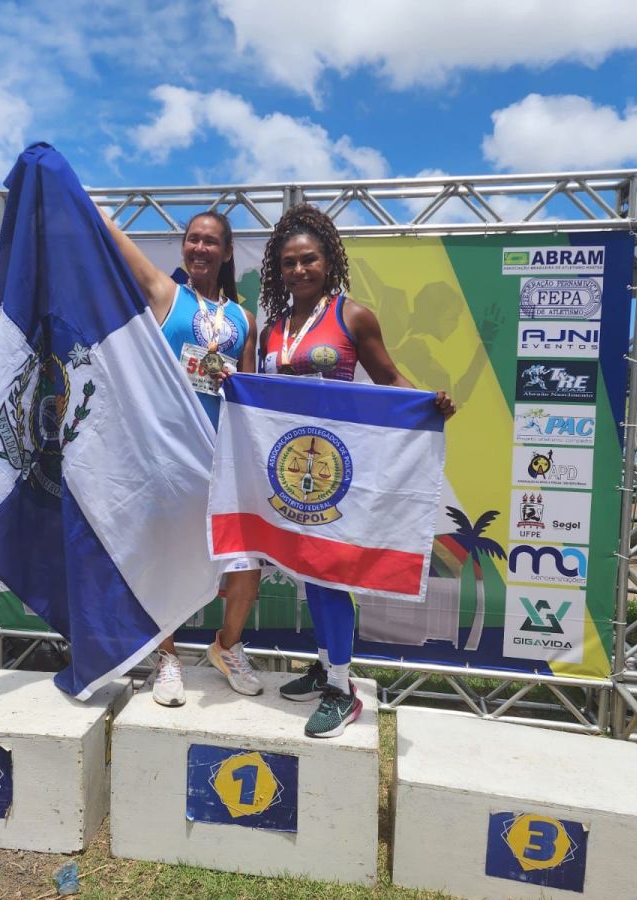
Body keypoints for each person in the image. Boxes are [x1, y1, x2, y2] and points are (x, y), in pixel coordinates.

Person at [254, 203, 456, 738]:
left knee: (329, 575)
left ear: (328, 261)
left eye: (309, 259)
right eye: (289, 262)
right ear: (278, 270)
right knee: (307, 571)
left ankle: (343, 691)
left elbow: (388, 378)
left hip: (335, 469)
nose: (299, 269)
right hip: (288, 470)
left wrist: (428, 404)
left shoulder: (353, 316)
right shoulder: (272, 329)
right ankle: (326, 666)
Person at [99, 206, 264, 706]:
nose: (199, 248)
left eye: (210, 241)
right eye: (193, 239)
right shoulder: (166, 294)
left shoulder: (244, 320)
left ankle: (227, 647)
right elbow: (120, 247)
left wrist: (238, 385)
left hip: (223, 458)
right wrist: (89, 207)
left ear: (227, 252)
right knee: (165, 559)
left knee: (245, 561)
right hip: (167, 455)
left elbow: (250, 395)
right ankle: (166, 657)